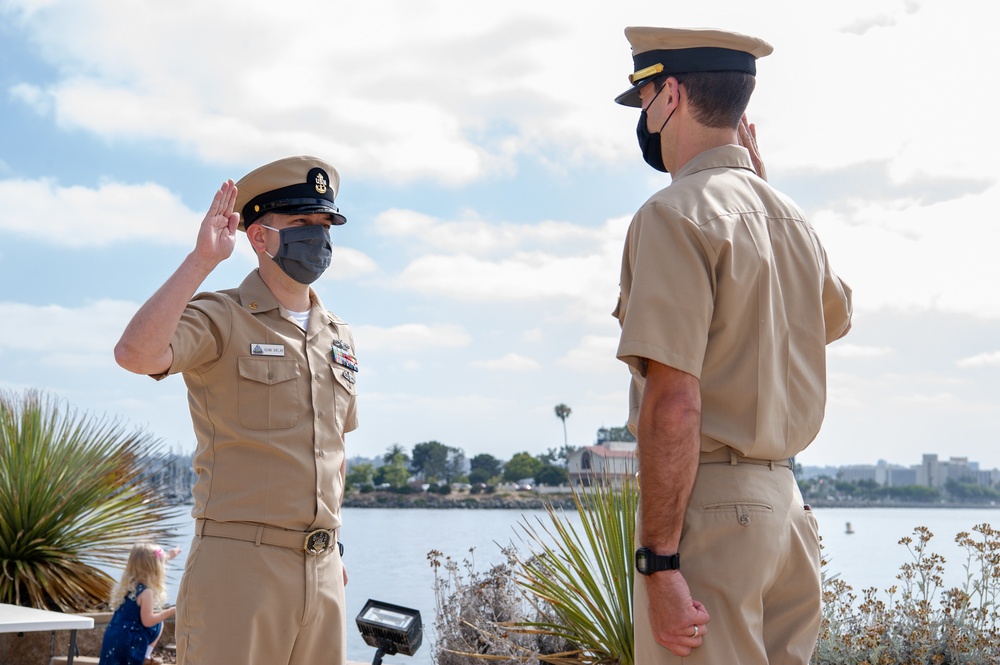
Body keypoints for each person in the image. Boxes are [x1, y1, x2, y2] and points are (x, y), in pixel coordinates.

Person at [612, 27, 853, 665]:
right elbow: (834, 316)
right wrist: (761, 187)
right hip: (787, 514)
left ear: (669, 95)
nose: (644, 121)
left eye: (643, 102)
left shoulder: (673, 214)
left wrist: (661, 561)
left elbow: (675, 401)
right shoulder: (793, 220)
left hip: (712, 515)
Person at [114, 156, 358, 665]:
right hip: (240, 567)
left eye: (324, 225)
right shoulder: (222, 317)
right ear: (260, 237)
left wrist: (333, 547)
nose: (318, 238)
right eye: (301, 224)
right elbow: (135, 355)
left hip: (323, 568)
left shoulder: (338, 336)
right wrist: (202, 260)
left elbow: (334, 451)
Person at [100, 543, 181, 665]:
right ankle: (146, 656)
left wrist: (169, 555)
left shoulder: (128, 587)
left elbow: (150, 561)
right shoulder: (146, 592)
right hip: (129, 642)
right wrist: (169, 612)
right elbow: (147, 621)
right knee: (158, 623)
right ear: (156, 568)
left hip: (112, 637)